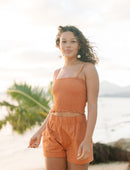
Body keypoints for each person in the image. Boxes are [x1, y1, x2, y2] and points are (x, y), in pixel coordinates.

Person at [28, 25, 99, 170]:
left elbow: (92, 105)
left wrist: (87, 139)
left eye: (73, 41)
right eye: (64, 41)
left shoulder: (87, 68)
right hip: (53, 130)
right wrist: (40, 131)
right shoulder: (56, 73)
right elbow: (55, 107)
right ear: (58, 45)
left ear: (79, 45)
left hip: (77, 130)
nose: (68, 45)